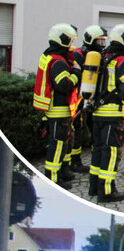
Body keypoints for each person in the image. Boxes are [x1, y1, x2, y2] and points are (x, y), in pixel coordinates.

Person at [90, 24, 124, 203]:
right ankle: (107, 191)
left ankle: (94, 187)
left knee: (98, 150)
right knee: (111, 153)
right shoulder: (123, 61)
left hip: (97, 113)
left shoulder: (104, 56)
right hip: (113, 115)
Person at [33, 23, 81, 189]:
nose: (71, 44)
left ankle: (60, 173)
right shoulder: (58, 61)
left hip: (56, 110)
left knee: (61, 144)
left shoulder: (51, 56)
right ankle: (53, 179)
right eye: (70, 40)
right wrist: (76, 73)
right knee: (57, 145)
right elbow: (64, 85)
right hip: (59, 111)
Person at [66, 25, 108, 177]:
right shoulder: (79, 54)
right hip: (78, 99)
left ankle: (83, 161)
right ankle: (73, 161)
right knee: (77, 129)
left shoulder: (97, 56)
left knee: (87, 130)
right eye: (99, 41)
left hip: (92, 100)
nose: (102, 45)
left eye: (104, 42)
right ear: (90, 40)